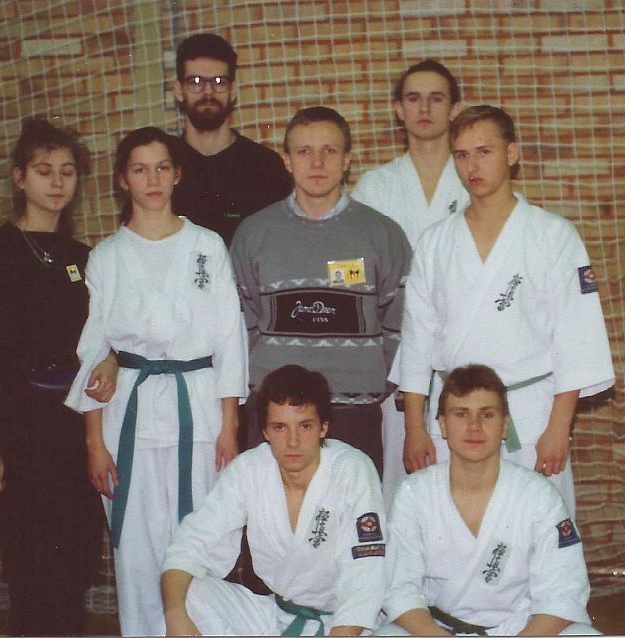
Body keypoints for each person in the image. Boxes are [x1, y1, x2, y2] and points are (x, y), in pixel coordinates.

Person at [64, 126, 248, 636]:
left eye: (162, 167)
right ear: (123, 180)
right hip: (130, 412)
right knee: (137, 546)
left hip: (199, 406)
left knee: (200, 537)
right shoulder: (107, 256)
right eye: (140, 169)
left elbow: (230, 339)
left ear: (177, 174)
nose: (153, 179)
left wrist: (230, 426)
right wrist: (94, 444)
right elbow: (94, 351)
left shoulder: (206, 245)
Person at [399, 106, 614, 514]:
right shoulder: (434, 242)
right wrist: (414, 428)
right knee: (454, 524)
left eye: (484, 152)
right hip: (453, 416)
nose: (472, 166)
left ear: (512, 154)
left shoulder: (553, 235)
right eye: (462, 155)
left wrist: (559, 427)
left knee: (536, 521)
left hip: (529, 413)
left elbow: (575, 336)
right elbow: (416, 340)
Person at [0, 119, 104, 635]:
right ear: (19, 177)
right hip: (18, 426)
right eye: (44, 171)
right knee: (30, 567)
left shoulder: (86, 259)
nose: (58, 181)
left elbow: (101, 347)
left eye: (68, 171)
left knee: (78, 559)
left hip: (75, 426)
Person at [231, 106, 411, 476]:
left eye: (329, 150)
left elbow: (400, 320)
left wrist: (371, 378)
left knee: (350, 511)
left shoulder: (383, 234)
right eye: (304, 151)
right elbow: (240, 319)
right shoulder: (254, 233)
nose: (317, 162)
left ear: (347, 160)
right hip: (275, 414)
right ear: (287, 161)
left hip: (354, 411)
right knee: (270, 511)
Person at [161, 364, 386, 636]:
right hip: (274, 616)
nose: (292, 441)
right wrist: (175, 616)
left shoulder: (352, 469)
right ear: (265, 431)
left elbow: (367, 571)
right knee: (185, 595)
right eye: (280, 427)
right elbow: (191, 542)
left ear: (323, 427)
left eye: (304, 426)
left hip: (344, 624)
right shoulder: (249, 469)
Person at [379, 364, 598, 636]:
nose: (474, 427)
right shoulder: (413, 493)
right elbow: (399, 589)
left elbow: (562, 593)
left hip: (520, 627)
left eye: (487, 415)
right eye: (461, 414)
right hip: (438, 629)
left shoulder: (540, 496)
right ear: (443, 425)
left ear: (505, 425)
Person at [352, 59, 469, 502]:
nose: (424, 109)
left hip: (465, 347)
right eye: (413, 99)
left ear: (454, 109)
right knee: (404, 483)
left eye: (436, 99)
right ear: (399, 110)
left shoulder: (476, 181)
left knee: (469, 476)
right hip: (399, 356)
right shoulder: (375, 187)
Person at [171, 33, 292, 246]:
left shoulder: (266, 167)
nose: (208, 92)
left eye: (219, 81)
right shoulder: (163, 167)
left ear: (233, 90)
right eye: (196, 82)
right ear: (179, 91)